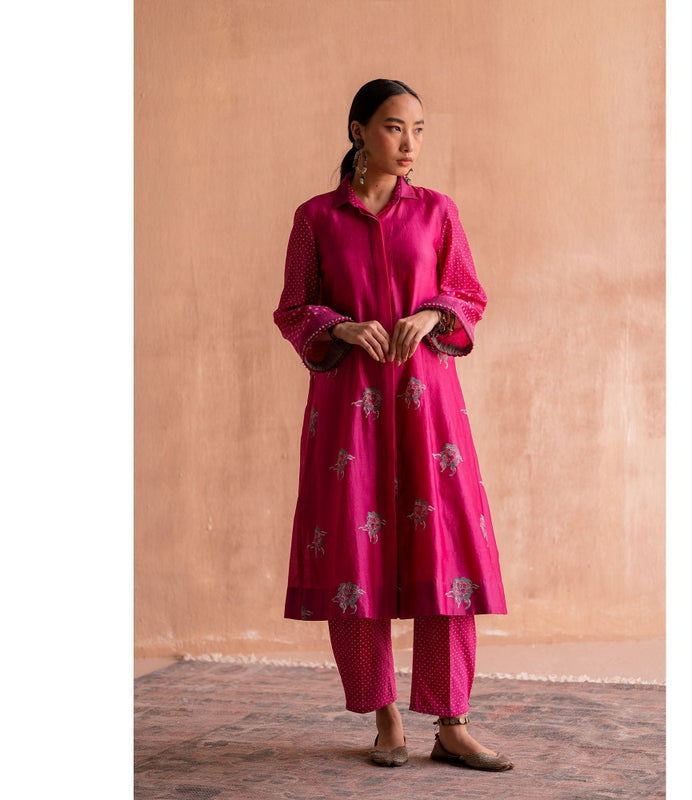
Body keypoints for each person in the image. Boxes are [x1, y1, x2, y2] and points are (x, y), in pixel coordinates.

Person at [274, 78, 512, 771]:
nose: (409, 144)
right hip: (349, 409)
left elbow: (467, 293)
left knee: (446, 553)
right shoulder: (315, 218)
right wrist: (342, 327)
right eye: (393, 127)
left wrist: (431, 313)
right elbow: (293, 309)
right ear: (358, 130)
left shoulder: (437, 211)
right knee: (356, 553)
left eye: (418, 130)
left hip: (426, 405)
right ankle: (386, 720)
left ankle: (452, 722)